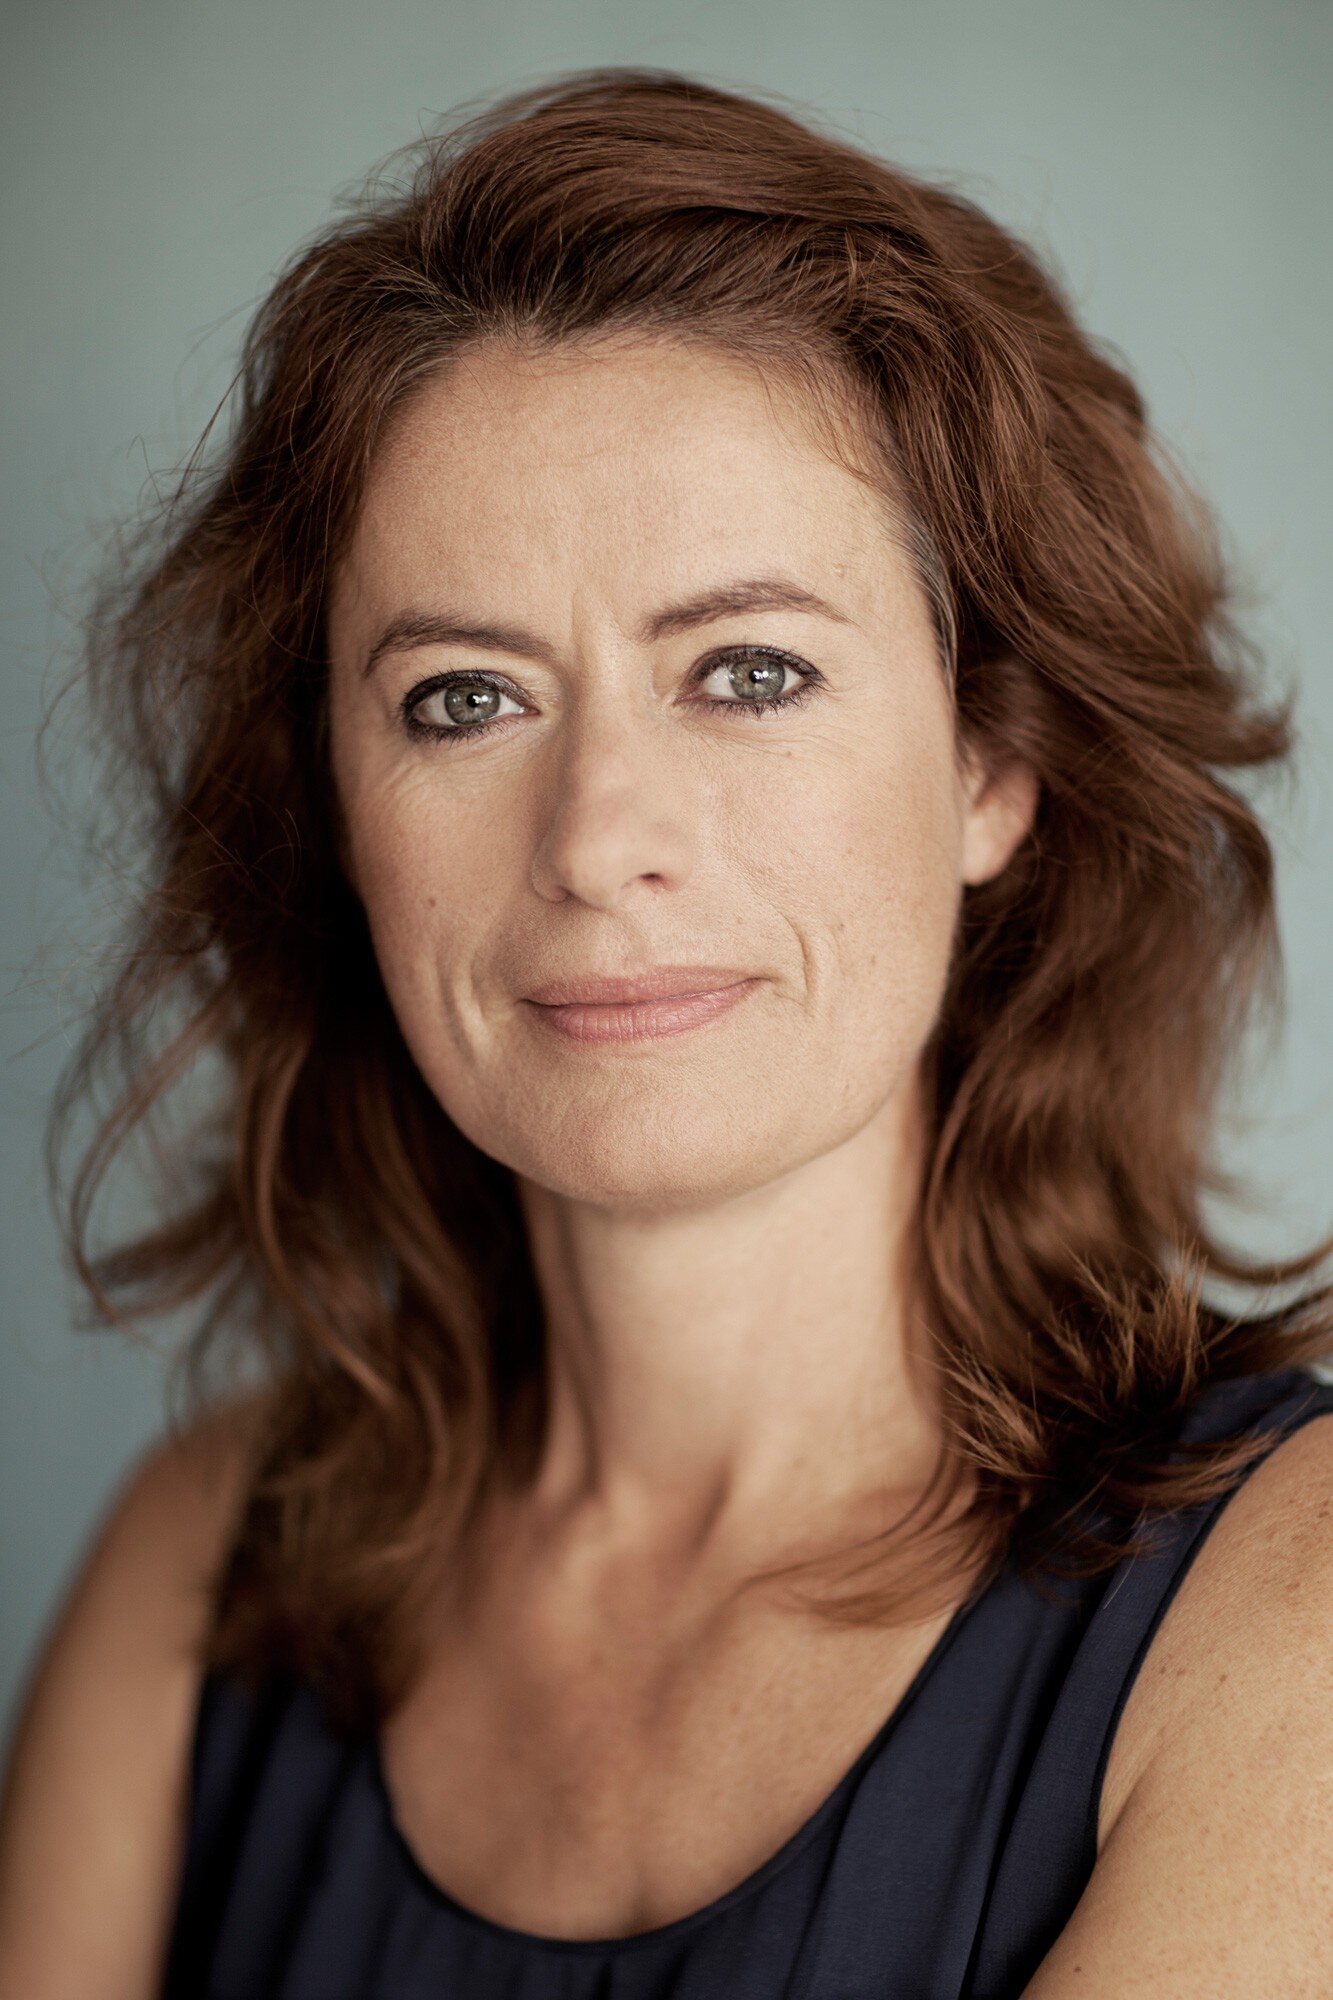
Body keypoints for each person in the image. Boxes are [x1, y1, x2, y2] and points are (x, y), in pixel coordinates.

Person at [0, 67, 1330, 2000]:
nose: (595, 836)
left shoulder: (1287, 1604)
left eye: (748, 670)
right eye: (464, 699)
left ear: (991, 762)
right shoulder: (203, 1567)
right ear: (338, 816)